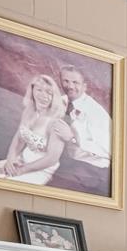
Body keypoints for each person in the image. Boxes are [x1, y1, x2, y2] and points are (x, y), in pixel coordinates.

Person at [0, 74, 74, 184]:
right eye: (39, 90)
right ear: (32, 91)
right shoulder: (28, 111)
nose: (44, 96)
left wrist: (22, 170)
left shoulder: (56, 123)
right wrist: (10, 159)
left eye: (49, 92)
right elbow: (19, 138)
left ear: (54, 96)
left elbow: (51, 159)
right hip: (21, 160)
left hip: (41, 169)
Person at [50, 64, 112, 194]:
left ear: (84, 86)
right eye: (66, 81)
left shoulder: (96, 113)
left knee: (52, 188)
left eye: (75, 82)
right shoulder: (61, 102)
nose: (70, 86)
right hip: (65, 160)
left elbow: (108, 151)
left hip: (92, 169)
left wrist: (72, 138)